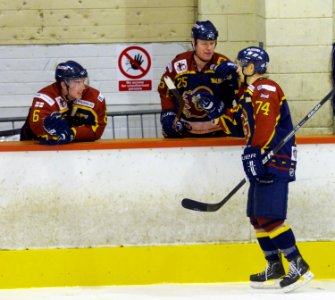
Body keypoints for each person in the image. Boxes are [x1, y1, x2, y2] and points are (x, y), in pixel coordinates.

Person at [197, 46, 314, 292]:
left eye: (241, 65)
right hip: (263, 157)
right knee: (257, 217)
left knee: (271, 217)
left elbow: (266, 124)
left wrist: (255, 150)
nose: (238, 69)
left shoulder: (266, 89)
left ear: (252, 67)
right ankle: (275, 265)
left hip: (274, 158)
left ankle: (298, 265)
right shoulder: (249, 93)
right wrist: (214, 111)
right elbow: (239, 127)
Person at [157, 20, 241, 138]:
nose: (209, 48)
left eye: (212, 43)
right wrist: (168, 114)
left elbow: (242, 95)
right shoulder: (179, 64)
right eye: (204, 43)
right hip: (186, 134)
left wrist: (237, 75)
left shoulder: (222, 64)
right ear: (193, 42)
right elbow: (165, 91)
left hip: (219, 134)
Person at [20, 60, 107, 144]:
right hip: (34, 150)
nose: (83, 87)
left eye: (83, 81)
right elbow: (37, 128)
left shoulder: (94, 97)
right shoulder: (45, 98)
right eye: (77, 82)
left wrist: (71, 133)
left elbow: (97, 129)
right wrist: (46, 130)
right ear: (64, 85)